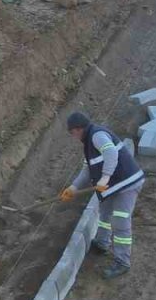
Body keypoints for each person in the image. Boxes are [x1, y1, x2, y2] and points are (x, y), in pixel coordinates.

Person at [59, 111, 145, 279]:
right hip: (112, 187)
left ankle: (122, 261)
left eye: (72, 132)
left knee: (120, 220)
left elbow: (111, 153)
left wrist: (105, 177)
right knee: (104, 214)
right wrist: (73, 188)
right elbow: (87, 170)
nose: (72, 136)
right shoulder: (88, 144)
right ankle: (102, 243)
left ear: (78, 129)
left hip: (126, 184)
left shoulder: (97, 135)